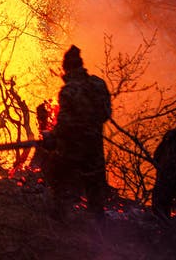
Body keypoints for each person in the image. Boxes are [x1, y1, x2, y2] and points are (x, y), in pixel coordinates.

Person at [44, 45, 111, 220]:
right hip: (95, 147)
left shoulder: (69, 90)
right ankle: (99, 230)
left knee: (59, 177)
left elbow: (65, 123)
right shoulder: (98, 84)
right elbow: (106, 114)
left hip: (73, 149)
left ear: (66, 68)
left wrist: (52, 136)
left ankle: (61, 219)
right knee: (95, 190)